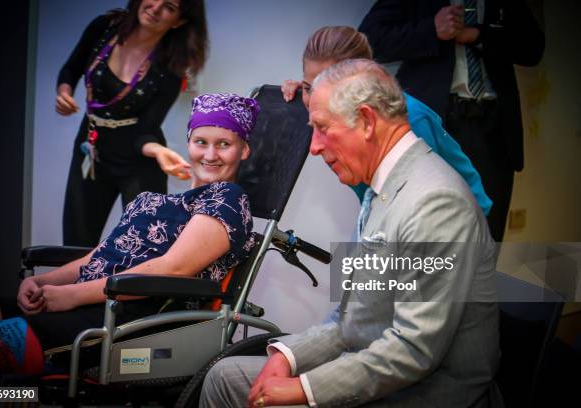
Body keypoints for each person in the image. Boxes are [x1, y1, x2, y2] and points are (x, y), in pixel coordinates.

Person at [200, 60, 501, 407]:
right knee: (223, 377)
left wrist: (304, 389)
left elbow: (413, 350)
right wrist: (286, 356)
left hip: (426, 393)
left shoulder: (435, 203)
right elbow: (350, 318)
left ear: (368, 121)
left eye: (322, 128)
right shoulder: (383, 188)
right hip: (375, 360)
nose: (313, 147)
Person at [0, 93, 259, 385]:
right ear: (188, 144)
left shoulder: (228, 200)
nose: (210, 155)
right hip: (91, 299)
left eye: (224, 144)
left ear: (244, 150)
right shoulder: (162, 201)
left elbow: (174, 269)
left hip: (128, 317)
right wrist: (44, 282)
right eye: (201, 142)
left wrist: (71, 295)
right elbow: (101, 254)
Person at [358, 0, 545, 241]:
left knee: (486, 233)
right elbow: (369, 38)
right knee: (423, 230)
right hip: (434, 124)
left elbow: (533, 47)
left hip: (493, 127)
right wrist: (430, 29)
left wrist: (480, 35)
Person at [281, 26, 492, 215]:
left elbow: (430, 202)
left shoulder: (411, 120)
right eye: (309, 87)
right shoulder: (329, 110)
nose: (314, 98)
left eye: (326, 87)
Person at [57, 0, 209, 247]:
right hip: (91, 148)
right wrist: (64, 92)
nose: (155, 7)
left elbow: (145, 129)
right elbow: (71, 69)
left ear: (179, 21)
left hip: (138, 159)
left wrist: (159, 151)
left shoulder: (171, 66)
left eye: (169, 6)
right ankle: (71, 288)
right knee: (76, 243)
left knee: (144, 246)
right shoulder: (105, 27)